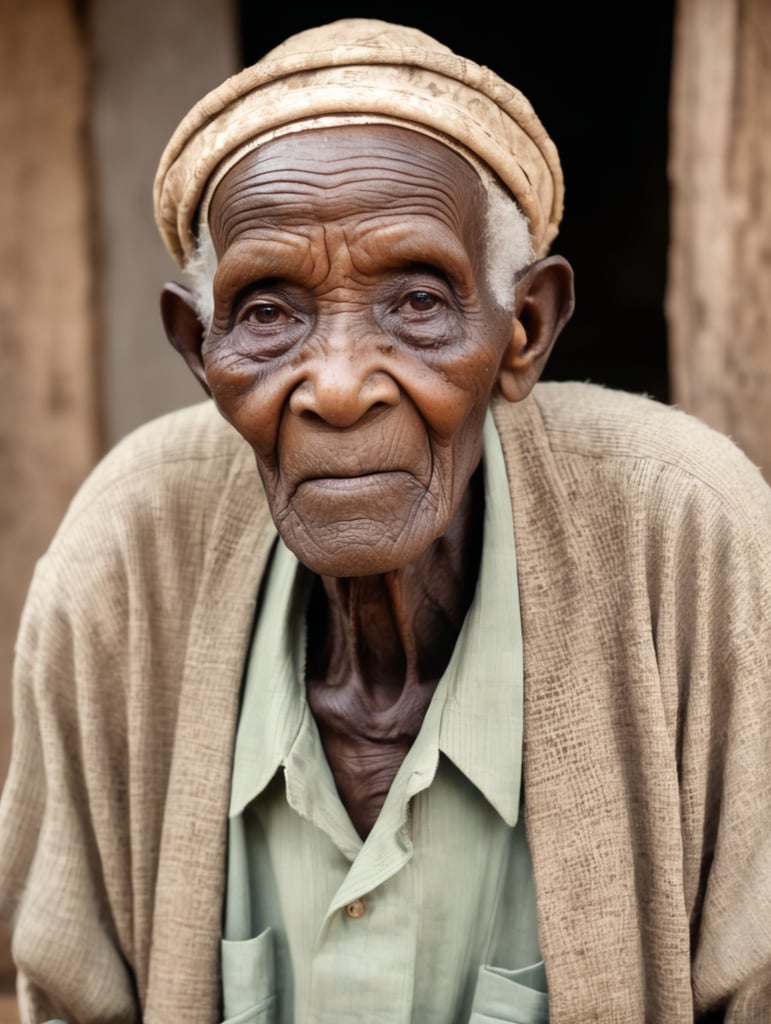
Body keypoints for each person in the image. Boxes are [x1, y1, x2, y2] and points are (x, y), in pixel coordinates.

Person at [0, 17, 769, 1024]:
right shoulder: (125, 557)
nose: (338, 386)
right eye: (270, 312)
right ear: (201, 353)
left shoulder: (686, 534)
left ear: (524, 331)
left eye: (416, 301)